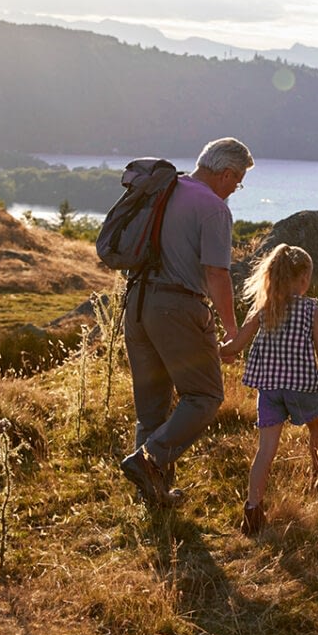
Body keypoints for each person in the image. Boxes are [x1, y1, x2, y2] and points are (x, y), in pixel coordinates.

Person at [118, 137, 252, 509]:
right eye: (237, 183)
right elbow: (217, 274)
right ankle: (148, 460)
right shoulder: (212, 208)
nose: (235, 191)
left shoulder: (165, 189)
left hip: (137, 304)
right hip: (176, 308)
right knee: (205, 395)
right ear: (227, 173)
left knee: (152, 409)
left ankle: (156, 497)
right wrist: (230, 326)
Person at [217, 243, 318, 535]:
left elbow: (235, 346)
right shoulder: (312, 311)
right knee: (317, 428)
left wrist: (215, 345)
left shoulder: (263, 309)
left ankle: (253, 509)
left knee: (265, 450)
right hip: (303, 388)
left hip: (269, 390)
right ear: (304, 277)